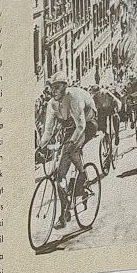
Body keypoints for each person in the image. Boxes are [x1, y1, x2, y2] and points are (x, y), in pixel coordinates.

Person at [36, 78, 99, 228]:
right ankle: (65, 211)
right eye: (52, 88)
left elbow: (81, 125)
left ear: (65, 87)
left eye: (57, 87)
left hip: (88, 123)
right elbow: (48, 131)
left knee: (71, 149)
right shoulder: (52, 104)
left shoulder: (73, 97)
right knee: (59, 176)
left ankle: (82, 175)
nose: (54, 91)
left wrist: (70, 143)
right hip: (70, 127)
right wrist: (40, 147)